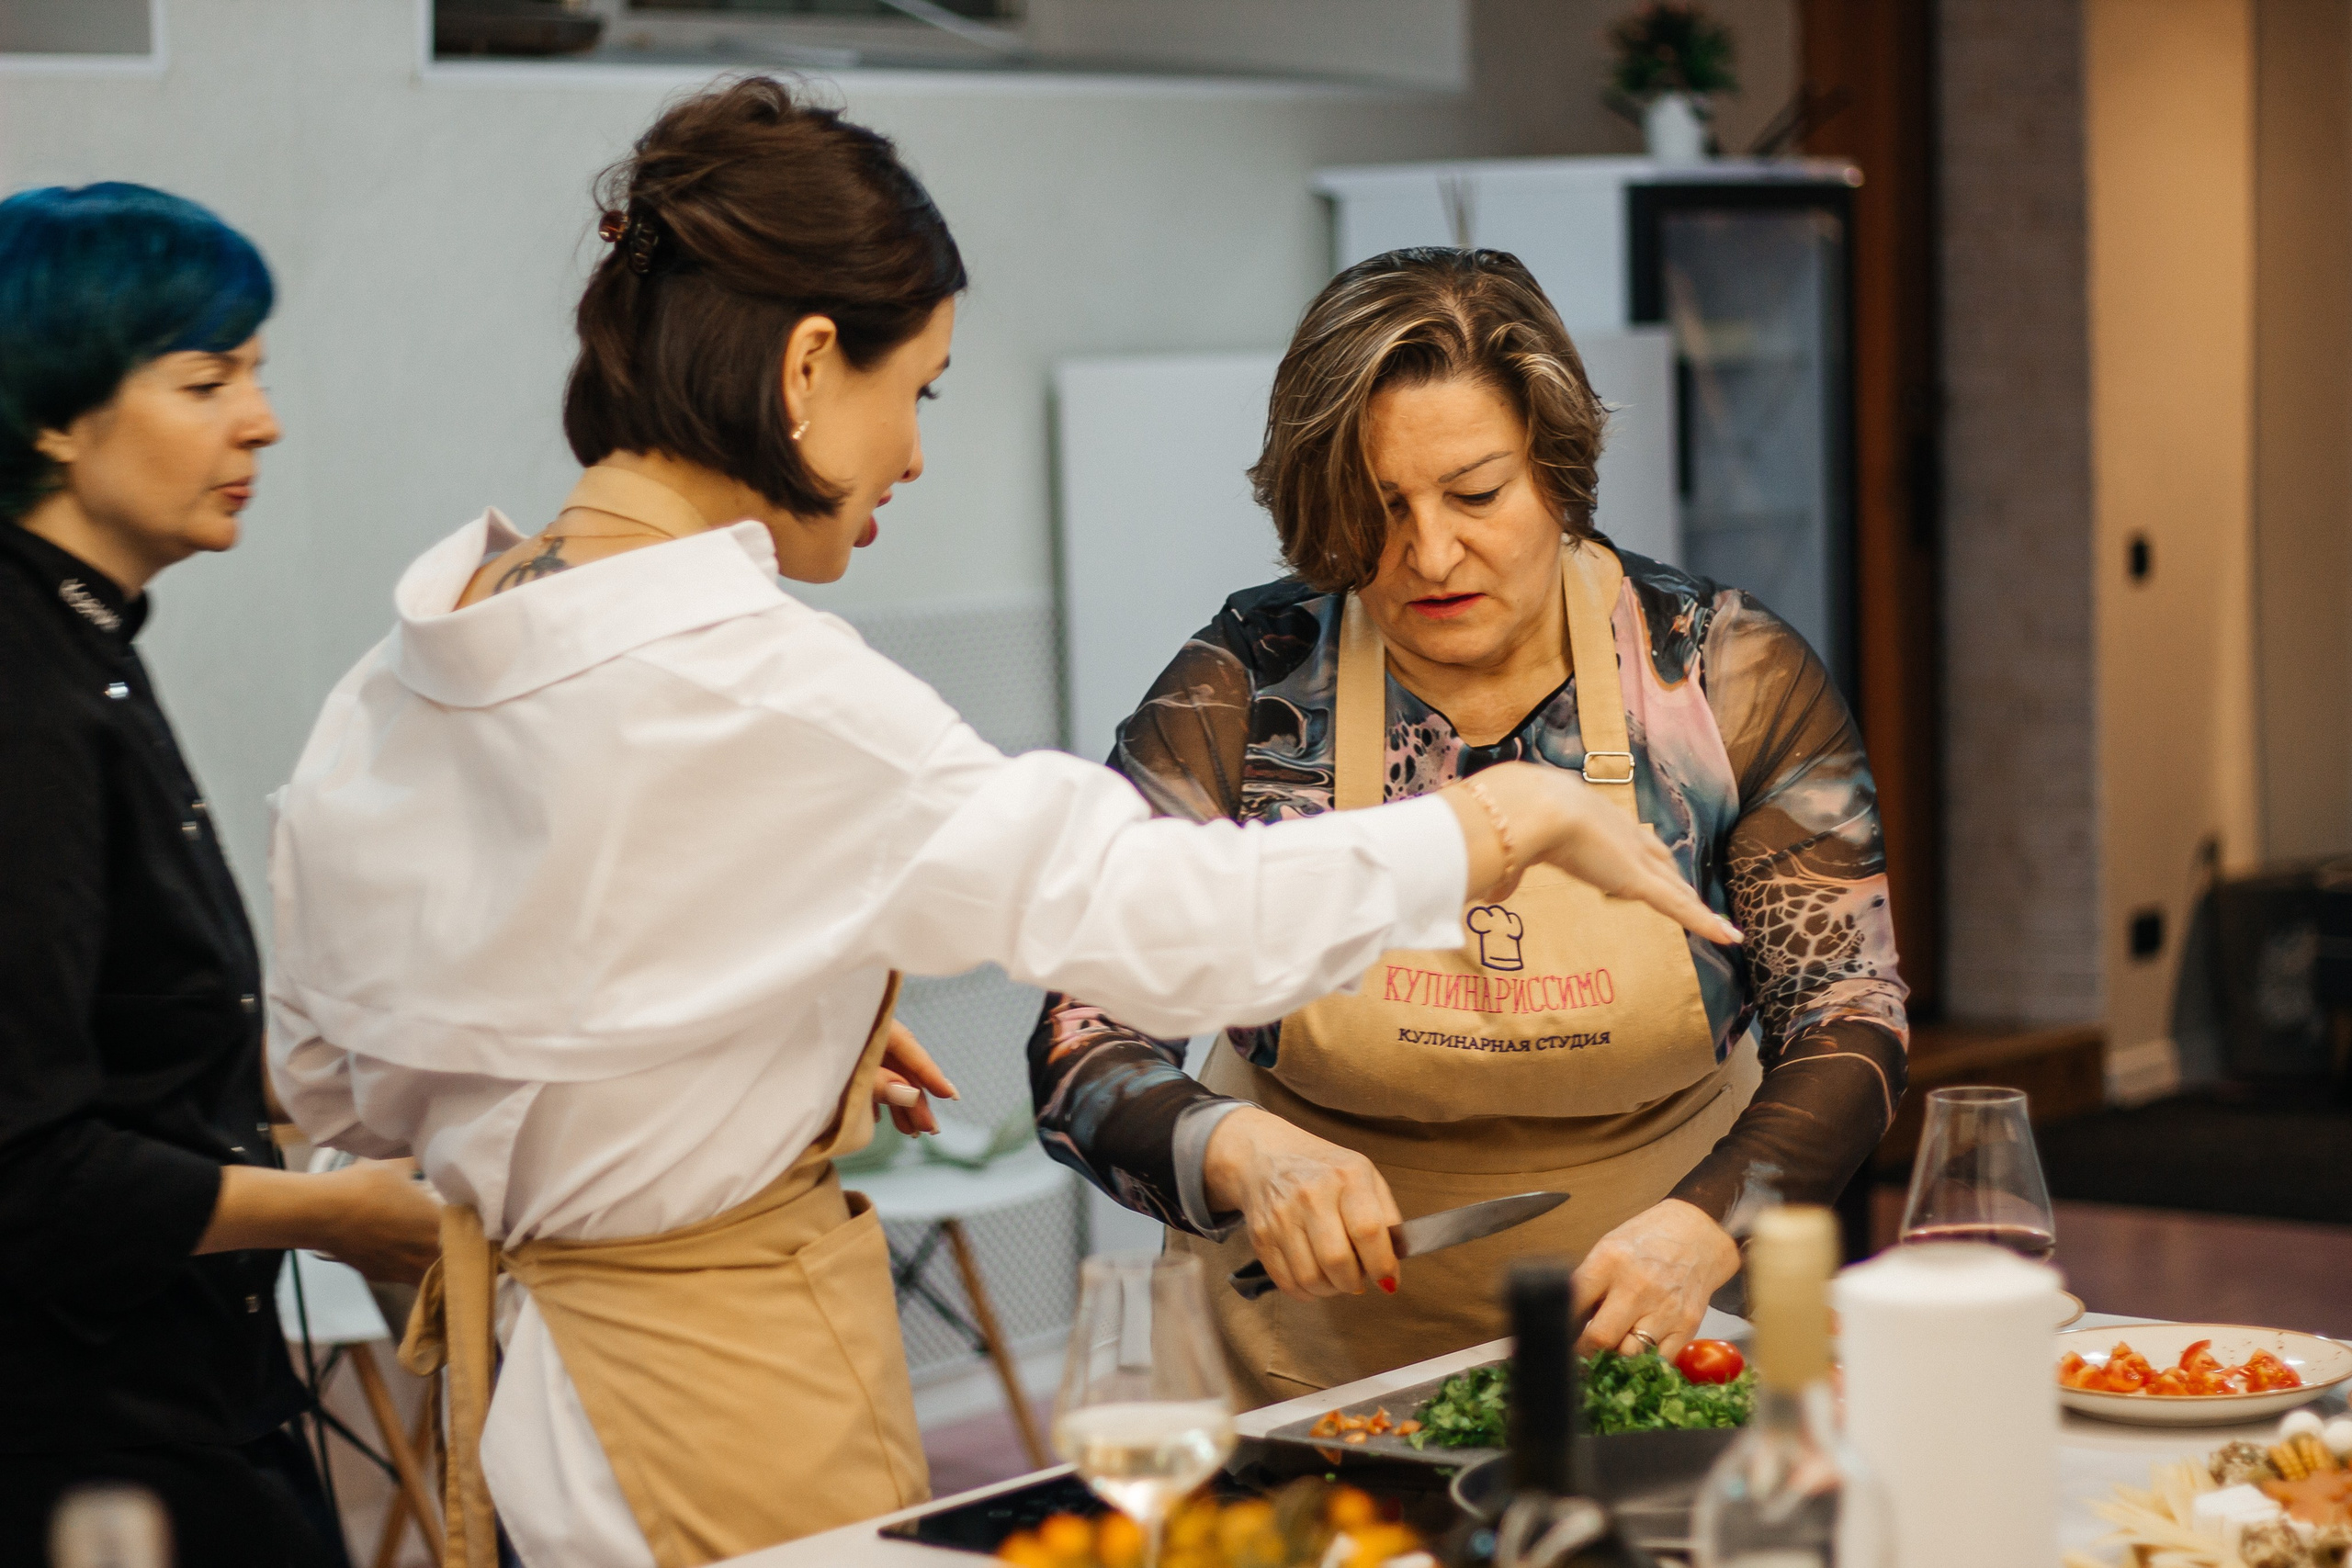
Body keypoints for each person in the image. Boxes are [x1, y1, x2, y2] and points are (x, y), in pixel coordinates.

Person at [264, 82, 1736, 1568]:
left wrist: (730, 1032)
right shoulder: (770, 690)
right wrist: (1498, 815)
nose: (912, 454)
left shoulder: (402, 671)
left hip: (521, 1411)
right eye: (921, 389)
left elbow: (331, 1082)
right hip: (721, 1409)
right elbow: (1165, 921)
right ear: (808, 365)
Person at [1028, 247, 1912, 1406]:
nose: (1429, 554)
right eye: (1377, 508)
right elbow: (1083, 1035)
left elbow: (1848, 1009)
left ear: (1555, 472)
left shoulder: (1721, 676)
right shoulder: (1247, 686)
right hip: (1305, 1370)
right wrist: (1231, 1148)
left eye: (1477, 495)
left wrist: (1707, 1224)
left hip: (1665, 1341)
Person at [0, 184, 441, 1568]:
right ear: (53, 415)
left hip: (186, 1383)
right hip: (89, 1436)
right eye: (207, 382)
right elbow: (28, 1163)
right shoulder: (23, 690)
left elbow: (144, 1027)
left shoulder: (82, 640)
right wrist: (339, 1212)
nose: (262, 422)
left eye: (255, 374)